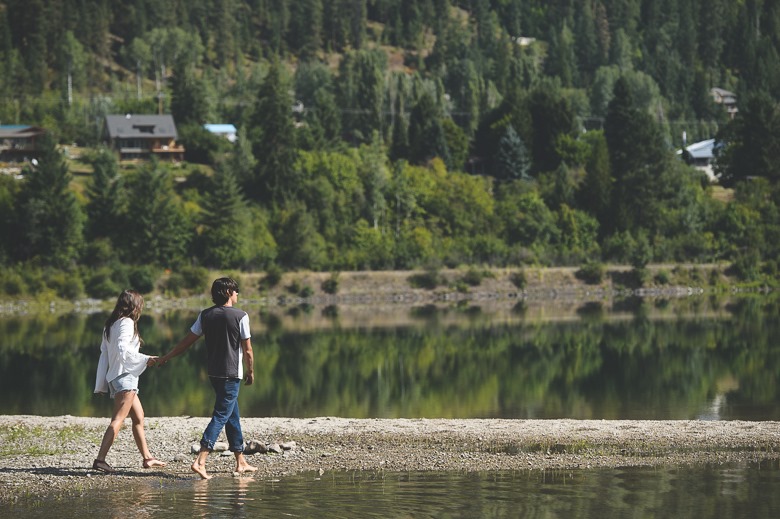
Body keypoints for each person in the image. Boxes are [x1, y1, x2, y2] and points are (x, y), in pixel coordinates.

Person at [158, 277, 256, 479]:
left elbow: (187, 342)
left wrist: (167, 356)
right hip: (231, 374)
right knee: (221, 414)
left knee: (232, 414)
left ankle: (241, 461)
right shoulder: (241, 316)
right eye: (236, 290)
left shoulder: (205, 315)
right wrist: (250, 372)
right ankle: (200, 461)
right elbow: (248, 351)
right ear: (229, 292)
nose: (238, 294)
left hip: (214, 373)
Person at [93, 289, 166, 473]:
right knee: (118, 419)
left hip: (119, 377)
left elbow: (105, 355)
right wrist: (145, 359)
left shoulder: (111, 324)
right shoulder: (126, 322)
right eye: (139, 304)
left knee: (138, 417)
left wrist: (101, 382)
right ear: (134, 305)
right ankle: (100, 460)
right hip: (125, 377)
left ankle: (148, 458)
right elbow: (122, 349)